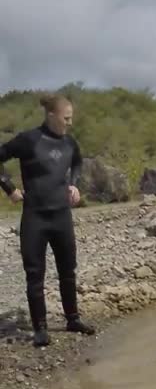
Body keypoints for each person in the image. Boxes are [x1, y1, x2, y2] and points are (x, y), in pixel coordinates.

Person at [0, 94, 96, 347]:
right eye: (66, 118)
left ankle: (73, 319)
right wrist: (9, 188)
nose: (70, 123)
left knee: (68, 271)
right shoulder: (29, 140)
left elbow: (77, 162)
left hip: (61, 216)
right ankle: (40, 329)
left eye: (71, 118)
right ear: (52, 115)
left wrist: (74, 185)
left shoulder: (69, 143)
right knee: (35, 275)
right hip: (35, 218)